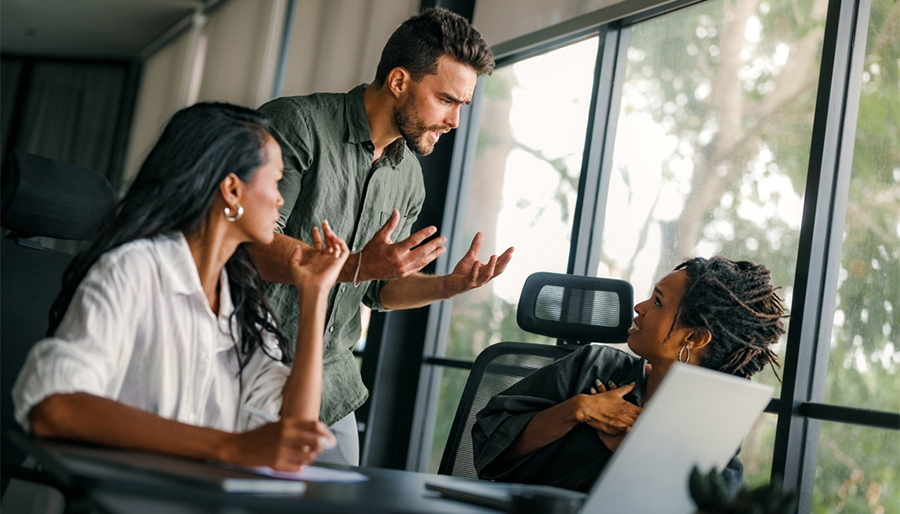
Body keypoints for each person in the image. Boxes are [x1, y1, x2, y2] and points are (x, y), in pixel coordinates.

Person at [12, 102, 345, 471]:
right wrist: (228, 447)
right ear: (232, 190)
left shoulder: (242, 306)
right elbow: (54, 408)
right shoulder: (134, 270)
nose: (281, 198)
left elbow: (293, 438)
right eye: (276, 180)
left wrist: (315, 294)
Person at [250, 7, 514, 465]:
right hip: (251, 361)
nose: (454, 121)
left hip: (331, 380)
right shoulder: (295, 123)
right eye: (446, 100)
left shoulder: (409, 177)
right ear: (398, 81)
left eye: (462, 106)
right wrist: (355, 265)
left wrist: (446, 286)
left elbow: (377, 290)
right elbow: (250, 246)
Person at [472, 257, 786, 493]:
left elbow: (717, 497)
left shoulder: (709, 423)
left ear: (694, 338)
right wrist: (578, 409)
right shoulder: (594, 366)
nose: (640, 306)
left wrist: (636, 454)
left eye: (658, 302)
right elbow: (488, 439)